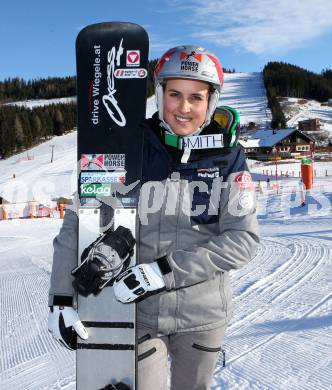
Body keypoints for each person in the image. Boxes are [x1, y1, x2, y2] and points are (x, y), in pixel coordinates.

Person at [48, 45, 259, 390]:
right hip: (139, 314)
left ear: (211, 102)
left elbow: (243, 240)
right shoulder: (127, 147)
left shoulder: (227, 156)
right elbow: (80, 220)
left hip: (202, 317)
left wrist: (162, 271)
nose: (185, 107)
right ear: (159, 94)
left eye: (197, 97)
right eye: (175, 94)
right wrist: (60, 297)